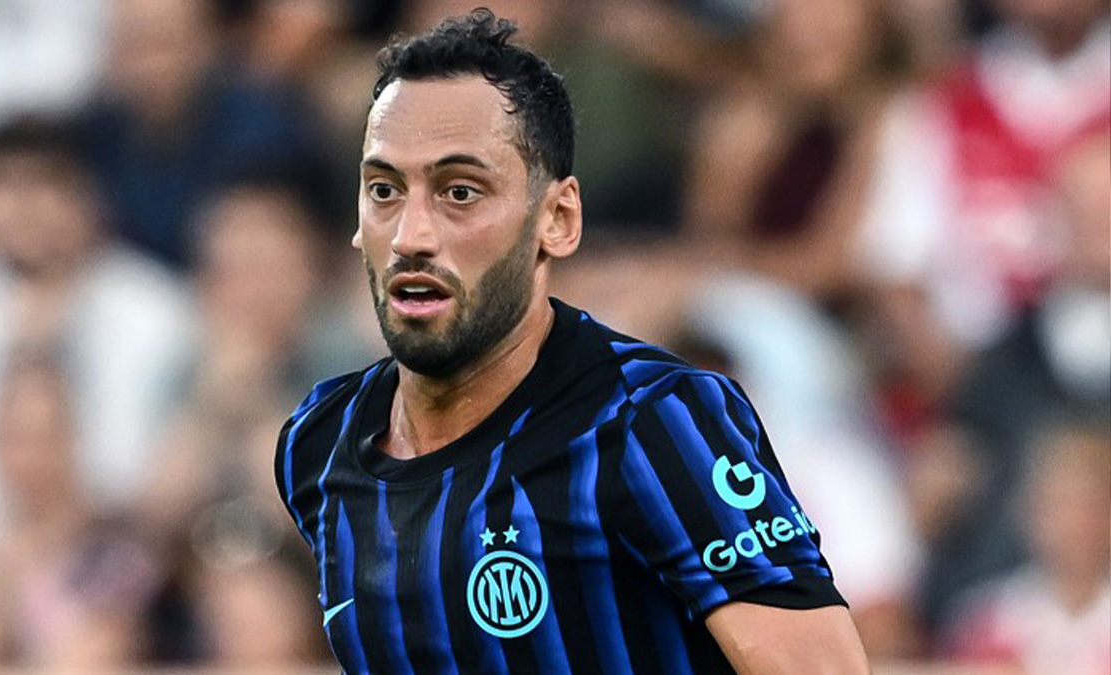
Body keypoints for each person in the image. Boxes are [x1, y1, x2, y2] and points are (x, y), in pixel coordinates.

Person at [275, 10, 868, 673]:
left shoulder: (656, 422)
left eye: (460, 192)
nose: (412, 234)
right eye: (384, 189)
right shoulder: (319, 442)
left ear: (557, 219)